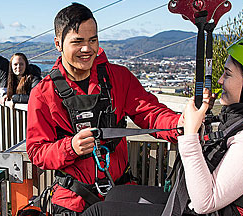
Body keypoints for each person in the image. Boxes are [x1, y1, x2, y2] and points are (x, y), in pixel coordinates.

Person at [81, 35, 243, 216]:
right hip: (212, 207)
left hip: (206, 207)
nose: (219, 80)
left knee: (99, 212)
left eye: (227, 74)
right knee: (116, 195)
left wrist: (189, 135)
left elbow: (204, 203)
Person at [26, 3, 182, 215]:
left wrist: (179, 125)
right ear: (58, 44)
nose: (87, 49)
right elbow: (37, 152)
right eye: (77, 41)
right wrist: (70, 147)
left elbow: (150, 113)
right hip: (74, 199)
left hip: (120, 192)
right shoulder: (44, 94)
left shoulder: (118, 78)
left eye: (93, 40)